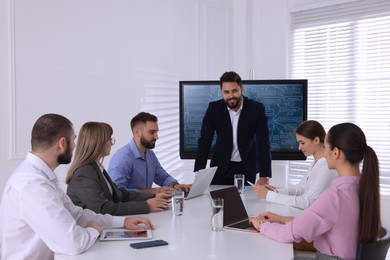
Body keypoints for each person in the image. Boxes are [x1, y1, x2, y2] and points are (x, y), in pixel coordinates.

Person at [0, 114, 154, 260]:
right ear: (62, 143)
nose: (75, 146)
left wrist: (122, 222)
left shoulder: (42, 177)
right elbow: (72, 243)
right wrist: (94, 229)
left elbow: (77, 214)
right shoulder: (32, 185)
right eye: (73, 140)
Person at [249, 123, 382, 259]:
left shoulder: (334, 197)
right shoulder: (363, 189)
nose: (324, 153)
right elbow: (321, 220)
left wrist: (261, 225)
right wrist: (281, 218)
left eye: (326, 147)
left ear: (335, 152)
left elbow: (287, 234)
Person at [66, 122, 170, 215]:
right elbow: (103, 208)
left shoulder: (96, 167)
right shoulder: (84, 172)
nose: (111, 143)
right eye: (109, 139)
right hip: (91, 232)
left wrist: (153, 197)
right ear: (98, 142)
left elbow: (120, 194)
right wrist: (147, 206)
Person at [194, 71, 272, 185]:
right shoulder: (213, 109)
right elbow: (205, 141)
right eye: (226, 92)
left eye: (234, 91)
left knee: (245, 202)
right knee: (218, 201)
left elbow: (264, 143)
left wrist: (265, 175)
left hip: (246, 168)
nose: (231, 96)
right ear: (221, 92)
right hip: (220, 167)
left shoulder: (256, 109)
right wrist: (198, 171)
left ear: (242, 89)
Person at [251, 120, 338, 209]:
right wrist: (275, 191)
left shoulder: (326, 166)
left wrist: (269, 195)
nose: (299, 148)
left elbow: (309, 202)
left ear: (316, 140)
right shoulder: (317, 163)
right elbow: (301, 188)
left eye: (302, 143)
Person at [108, 112, 191, 194]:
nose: (156, 137)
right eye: (152, 132)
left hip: (148, 205)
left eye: (157, 132)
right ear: (137, 132)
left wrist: (174, 185)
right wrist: (154, 191)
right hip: (131, 206)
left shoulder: (150, 154)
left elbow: (162, 177)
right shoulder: (122, 157)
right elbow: (117, 192)